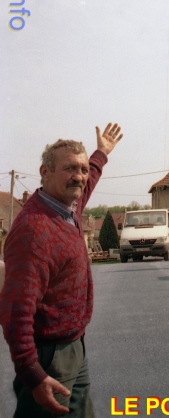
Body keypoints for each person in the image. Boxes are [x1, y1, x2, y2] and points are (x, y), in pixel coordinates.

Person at [0, 123, 123, 417]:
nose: (79, 176)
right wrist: (33, 373)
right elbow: (16, 309)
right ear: (45, 172)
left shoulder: (67, 208)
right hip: (48, 354)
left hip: (73, 346)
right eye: (70, 169)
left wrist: (101, 153)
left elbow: (89, 179)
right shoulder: (35, 230)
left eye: (81, 169)